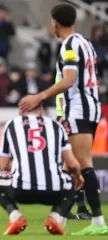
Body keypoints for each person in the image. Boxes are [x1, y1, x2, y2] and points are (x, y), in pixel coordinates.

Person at [19, 3, 107, 235]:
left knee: (82, 164)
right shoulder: (86, 43)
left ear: (56, 22)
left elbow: (68, 80)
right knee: (70, 165)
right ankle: (60, 218)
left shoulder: (69, 45)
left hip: (78, 110)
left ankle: (97, 222)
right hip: (89, 107)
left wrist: (39, 96)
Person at [0, 102, 83, 235]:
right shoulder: (56, 126)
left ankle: (15, 216)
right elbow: (72, 164)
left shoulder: (11, 125)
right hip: (52, 191)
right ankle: (55, 217)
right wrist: (78, 176)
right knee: (71, 181)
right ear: (40, 111)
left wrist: (21, 164)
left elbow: (4, 166)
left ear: (20, 112)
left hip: (21, 190)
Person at [55, 73, 91, 220]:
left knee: (74, 163)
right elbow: (63, 94)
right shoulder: (67, 71)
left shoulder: (68, 69)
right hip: (68, 117)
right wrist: (65, 114)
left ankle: (66, 207)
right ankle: (67, 207)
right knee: (73, 162)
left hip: (72, 117)